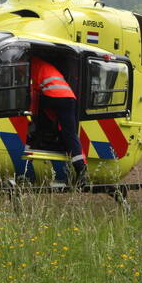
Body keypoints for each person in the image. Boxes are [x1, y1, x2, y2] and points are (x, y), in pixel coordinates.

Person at [29, 56, 87, 188]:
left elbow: (32, 93)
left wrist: (31, 117)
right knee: (70, 134)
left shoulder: (29, 63)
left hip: (51, 96)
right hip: (69, 97)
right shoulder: (43, 64)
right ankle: (81, 170)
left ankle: (40, 140)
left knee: (40, 118)